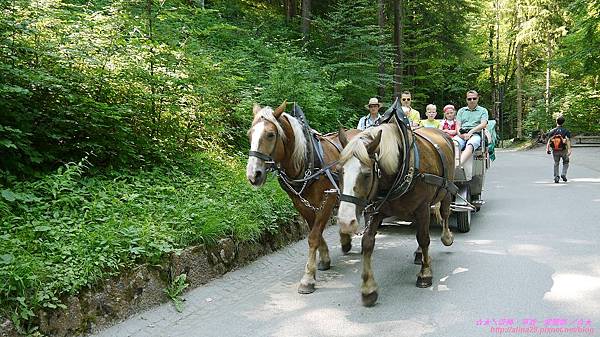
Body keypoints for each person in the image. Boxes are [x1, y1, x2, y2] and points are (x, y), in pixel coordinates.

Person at [456, 90, 489, 164]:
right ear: (466, 100)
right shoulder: (461, 111)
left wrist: (471, 132)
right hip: (462, 134)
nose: (472, 100)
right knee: (454, 144)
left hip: (476, 134)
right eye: (469, 99)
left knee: (471, 144)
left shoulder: (483, 110)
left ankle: (458, 165)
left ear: (478, 99)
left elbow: (483, 124)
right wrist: (460, 135)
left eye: (474, 98)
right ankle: (450, 165)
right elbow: (458, 125)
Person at [545, 116, 571, 183]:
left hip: (555, 150)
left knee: (556, 163)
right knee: (566, 162)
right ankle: (563, 174)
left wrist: (547, 149)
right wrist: (569, 150)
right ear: (563, 122)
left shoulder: (552, 131)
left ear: (556, 121)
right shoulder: (566, 131)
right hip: (563, 150)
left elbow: (549, 141)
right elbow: (567, 140)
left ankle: (556, 177)